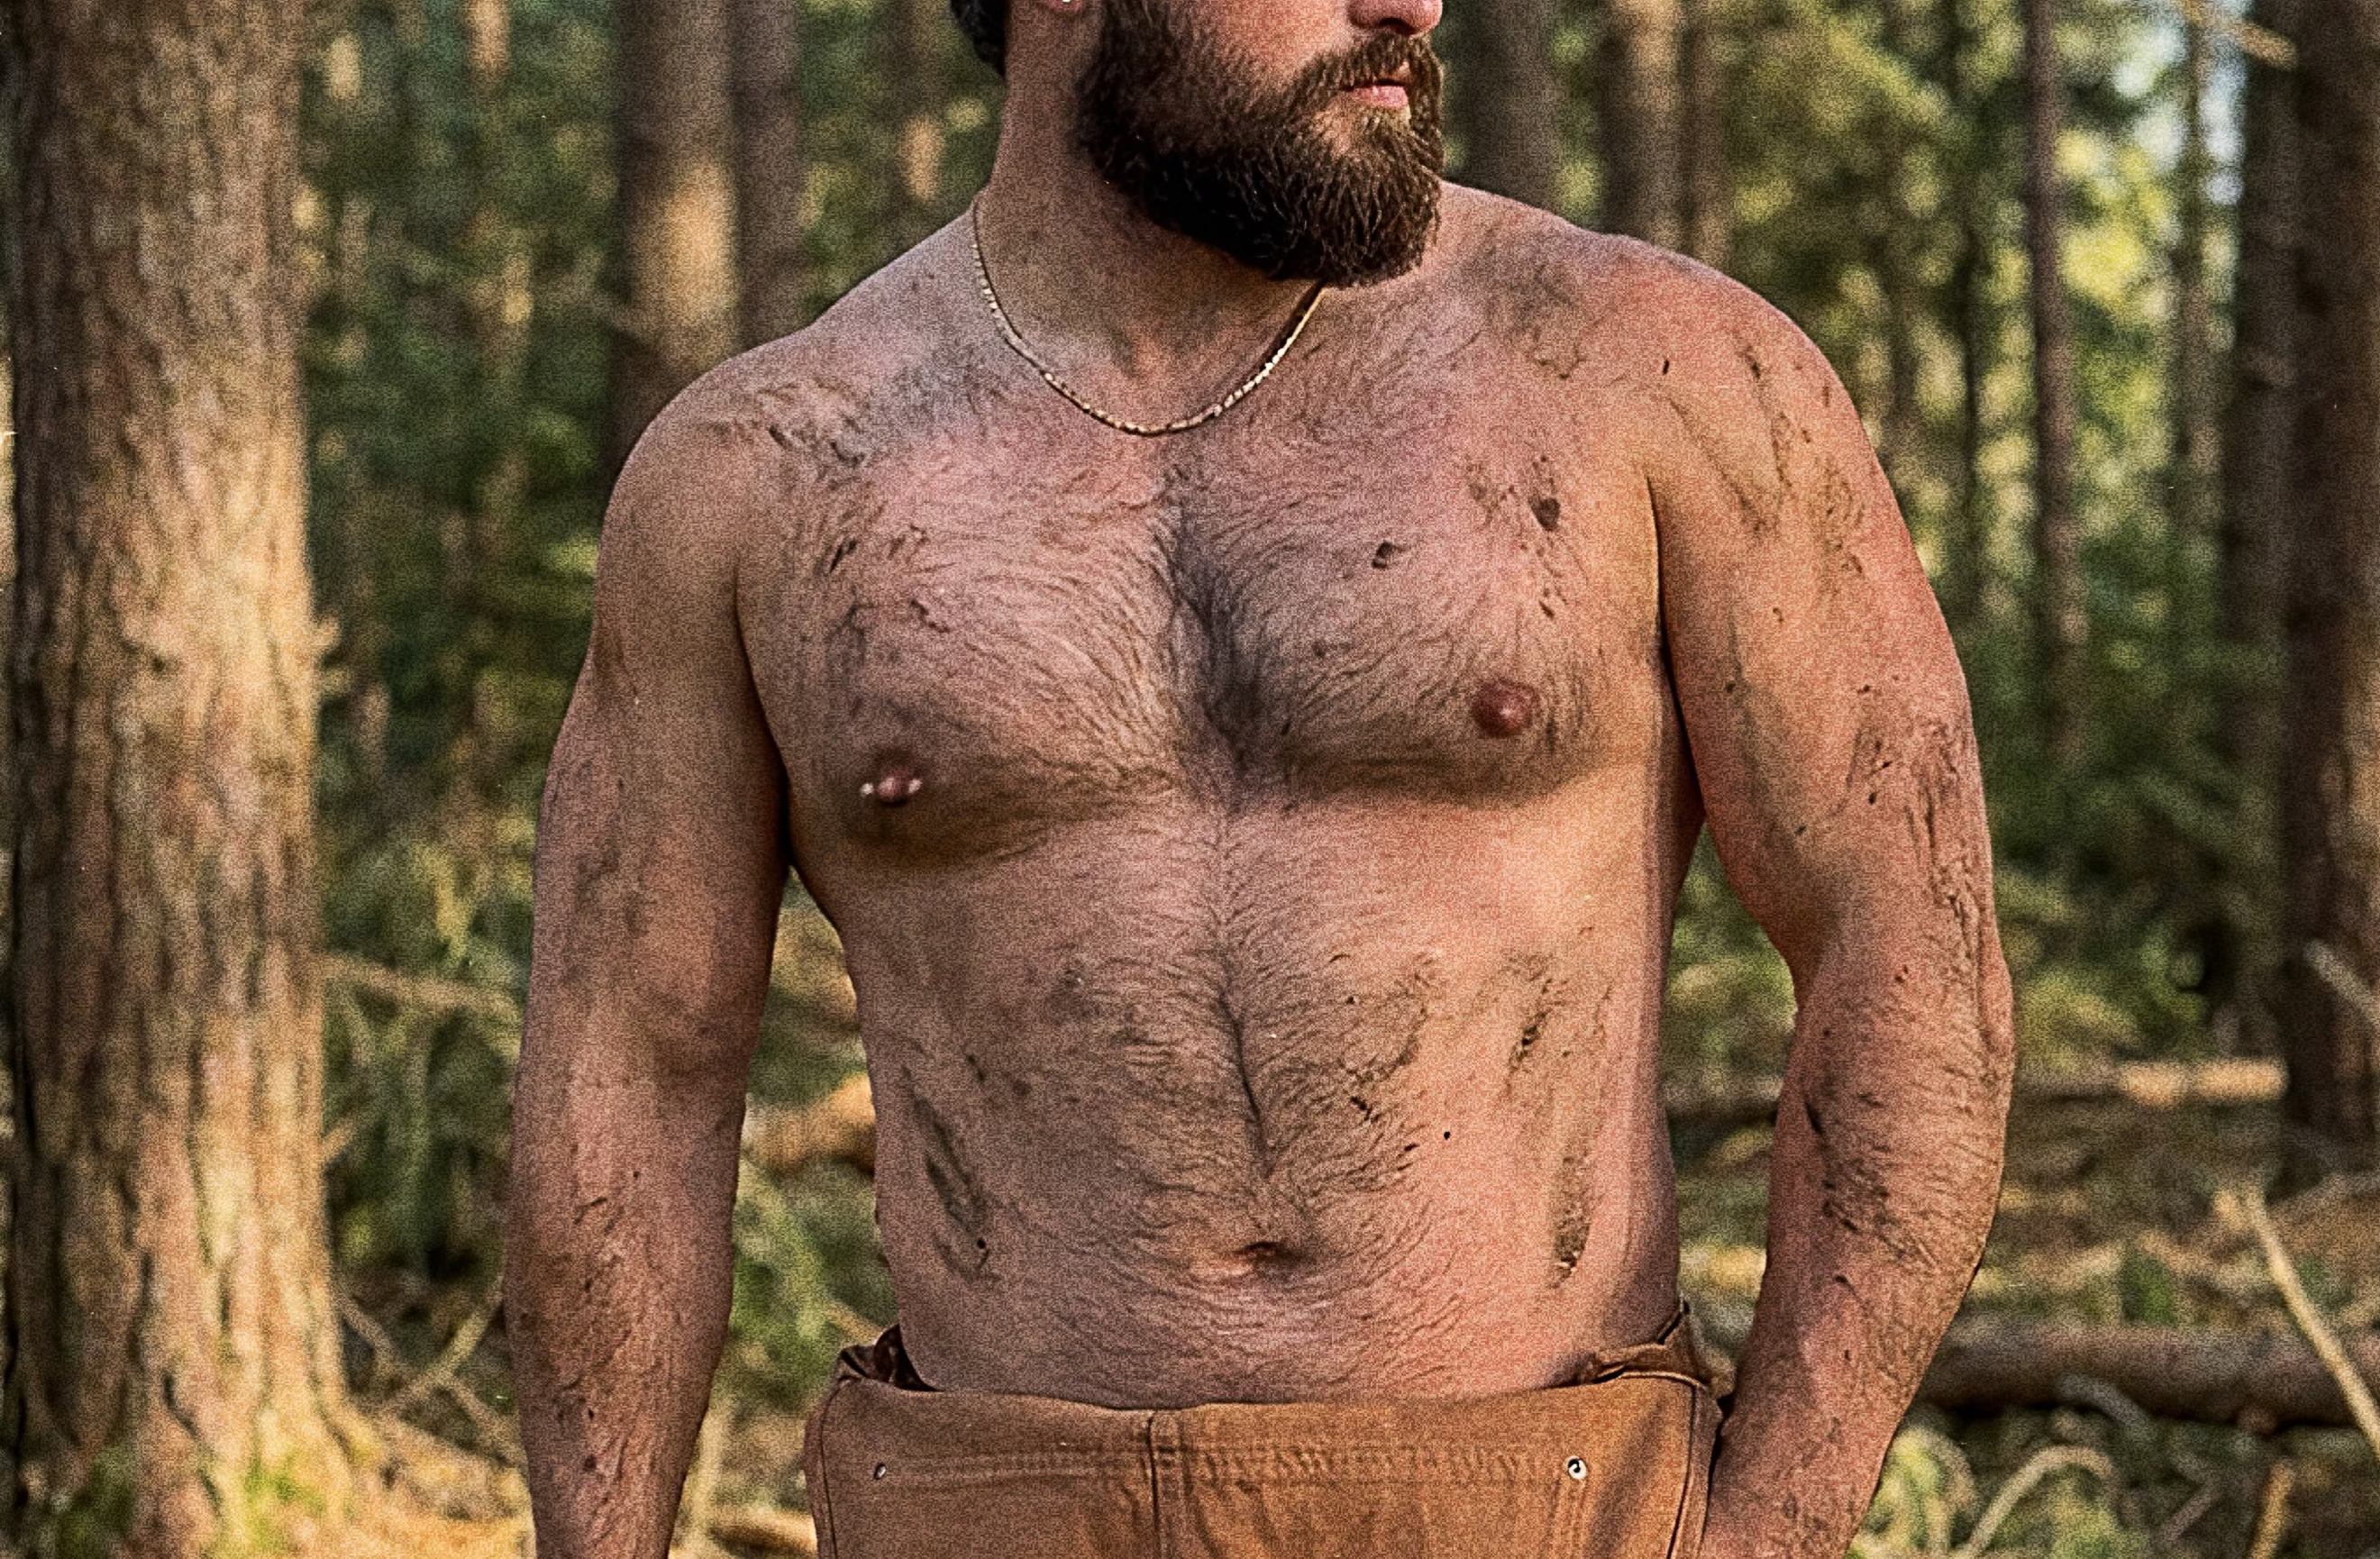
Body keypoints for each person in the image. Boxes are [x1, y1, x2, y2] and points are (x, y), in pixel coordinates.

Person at [504, 0, 2014, 1550]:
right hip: (995, 1508)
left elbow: (1904, 946)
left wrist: (1775, 1525)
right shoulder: (765, 473)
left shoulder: (1651, 374)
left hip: (1550, 1501)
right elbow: (630, 1072)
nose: (1411, 5)